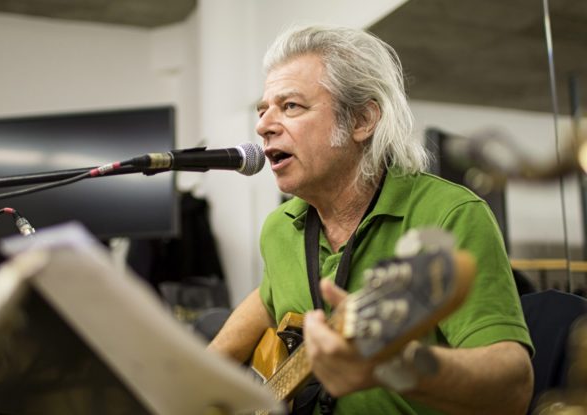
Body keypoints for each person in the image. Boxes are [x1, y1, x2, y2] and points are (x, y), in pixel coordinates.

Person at [208, 26, 533, 414]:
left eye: (290, 106)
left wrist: (395, 364)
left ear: (362, 120)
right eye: (263, 110)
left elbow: (514, 389)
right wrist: (187, 384)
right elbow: (267, 299)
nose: (263, 125)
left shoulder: (450, 216)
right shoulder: (280, 227)